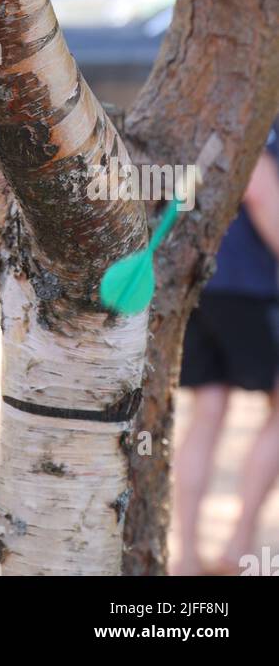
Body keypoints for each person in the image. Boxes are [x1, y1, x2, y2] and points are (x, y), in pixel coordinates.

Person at [172, 122, 279, 575]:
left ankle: (188, 557)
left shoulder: (214, 99)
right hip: (251, 286)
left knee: (209, 409)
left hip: (201, 277)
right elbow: (259, 190)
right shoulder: (262, 101)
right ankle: (239, 544)